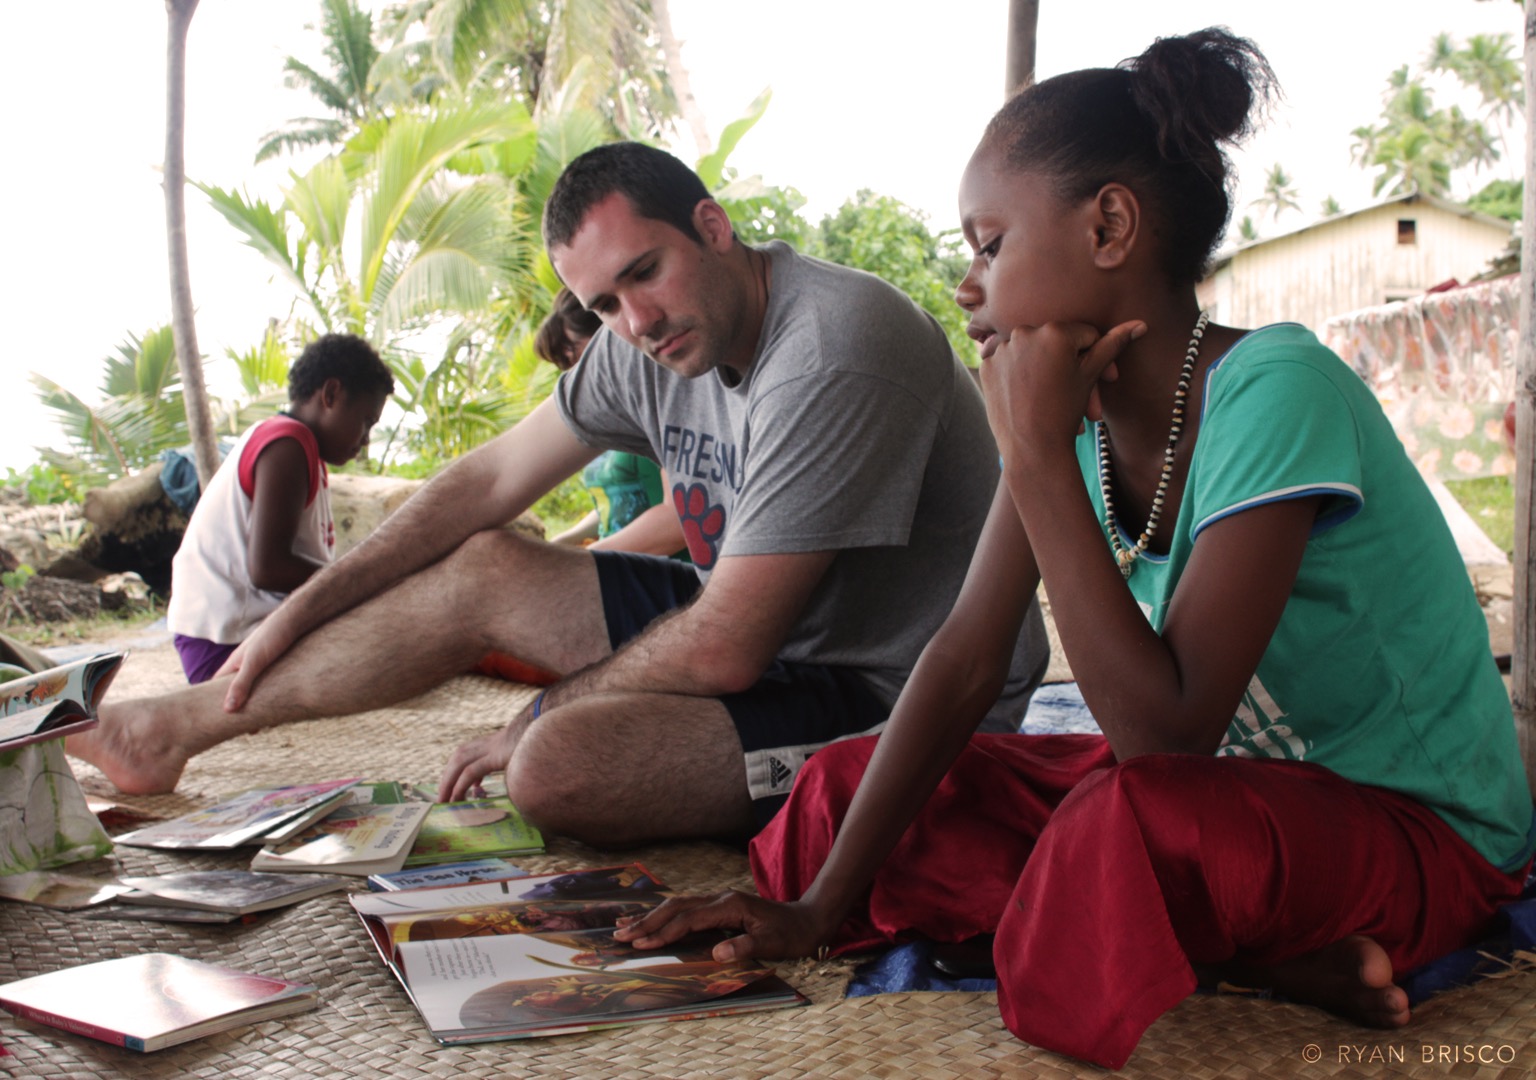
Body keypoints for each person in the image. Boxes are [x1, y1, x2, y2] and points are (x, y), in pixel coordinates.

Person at [610, 29, 1536, 1069]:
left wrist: (1038, 455)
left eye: (990, 244)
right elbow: (964, 660)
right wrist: (820, 908)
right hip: (1226, 801)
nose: (968, 286)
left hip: (1411, 829)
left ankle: (1220, 942)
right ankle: (1265, 958)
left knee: (1119, 825)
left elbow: (1167, 741)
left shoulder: (1277, 389)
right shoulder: (1075, 425)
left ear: (1108, 226)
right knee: (840, 792)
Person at [68, 142, 1050, 848]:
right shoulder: (648, 340)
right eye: (603, 305)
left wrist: (528, 724)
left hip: (900, 694)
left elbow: (724, 646)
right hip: (767, 636)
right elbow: (487, 480)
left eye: (646, 274)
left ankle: (552, 738)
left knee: (553, 767)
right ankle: (166, 730)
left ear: (712, 227)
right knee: (483, 568)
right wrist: (304, 610)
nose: (635, 321)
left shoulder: (834, 347)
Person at [166, 334, 393, 683]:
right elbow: (268, 568)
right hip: (227, 642)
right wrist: (355, 583)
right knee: (392, 645)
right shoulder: (288, 442)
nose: (364, 441)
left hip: (229, 634)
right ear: (330, 394)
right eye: (366, 422)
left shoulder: (295, 445)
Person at [534, 287, 684, 557]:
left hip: (667, 574)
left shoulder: (658, 400)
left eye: (574, 354)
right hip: (615, 564)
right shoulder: (607, 413)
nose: (575, 373)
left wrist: (578, 560)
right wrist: (563, 543)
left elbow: (678, 521)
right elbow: (621, 503)